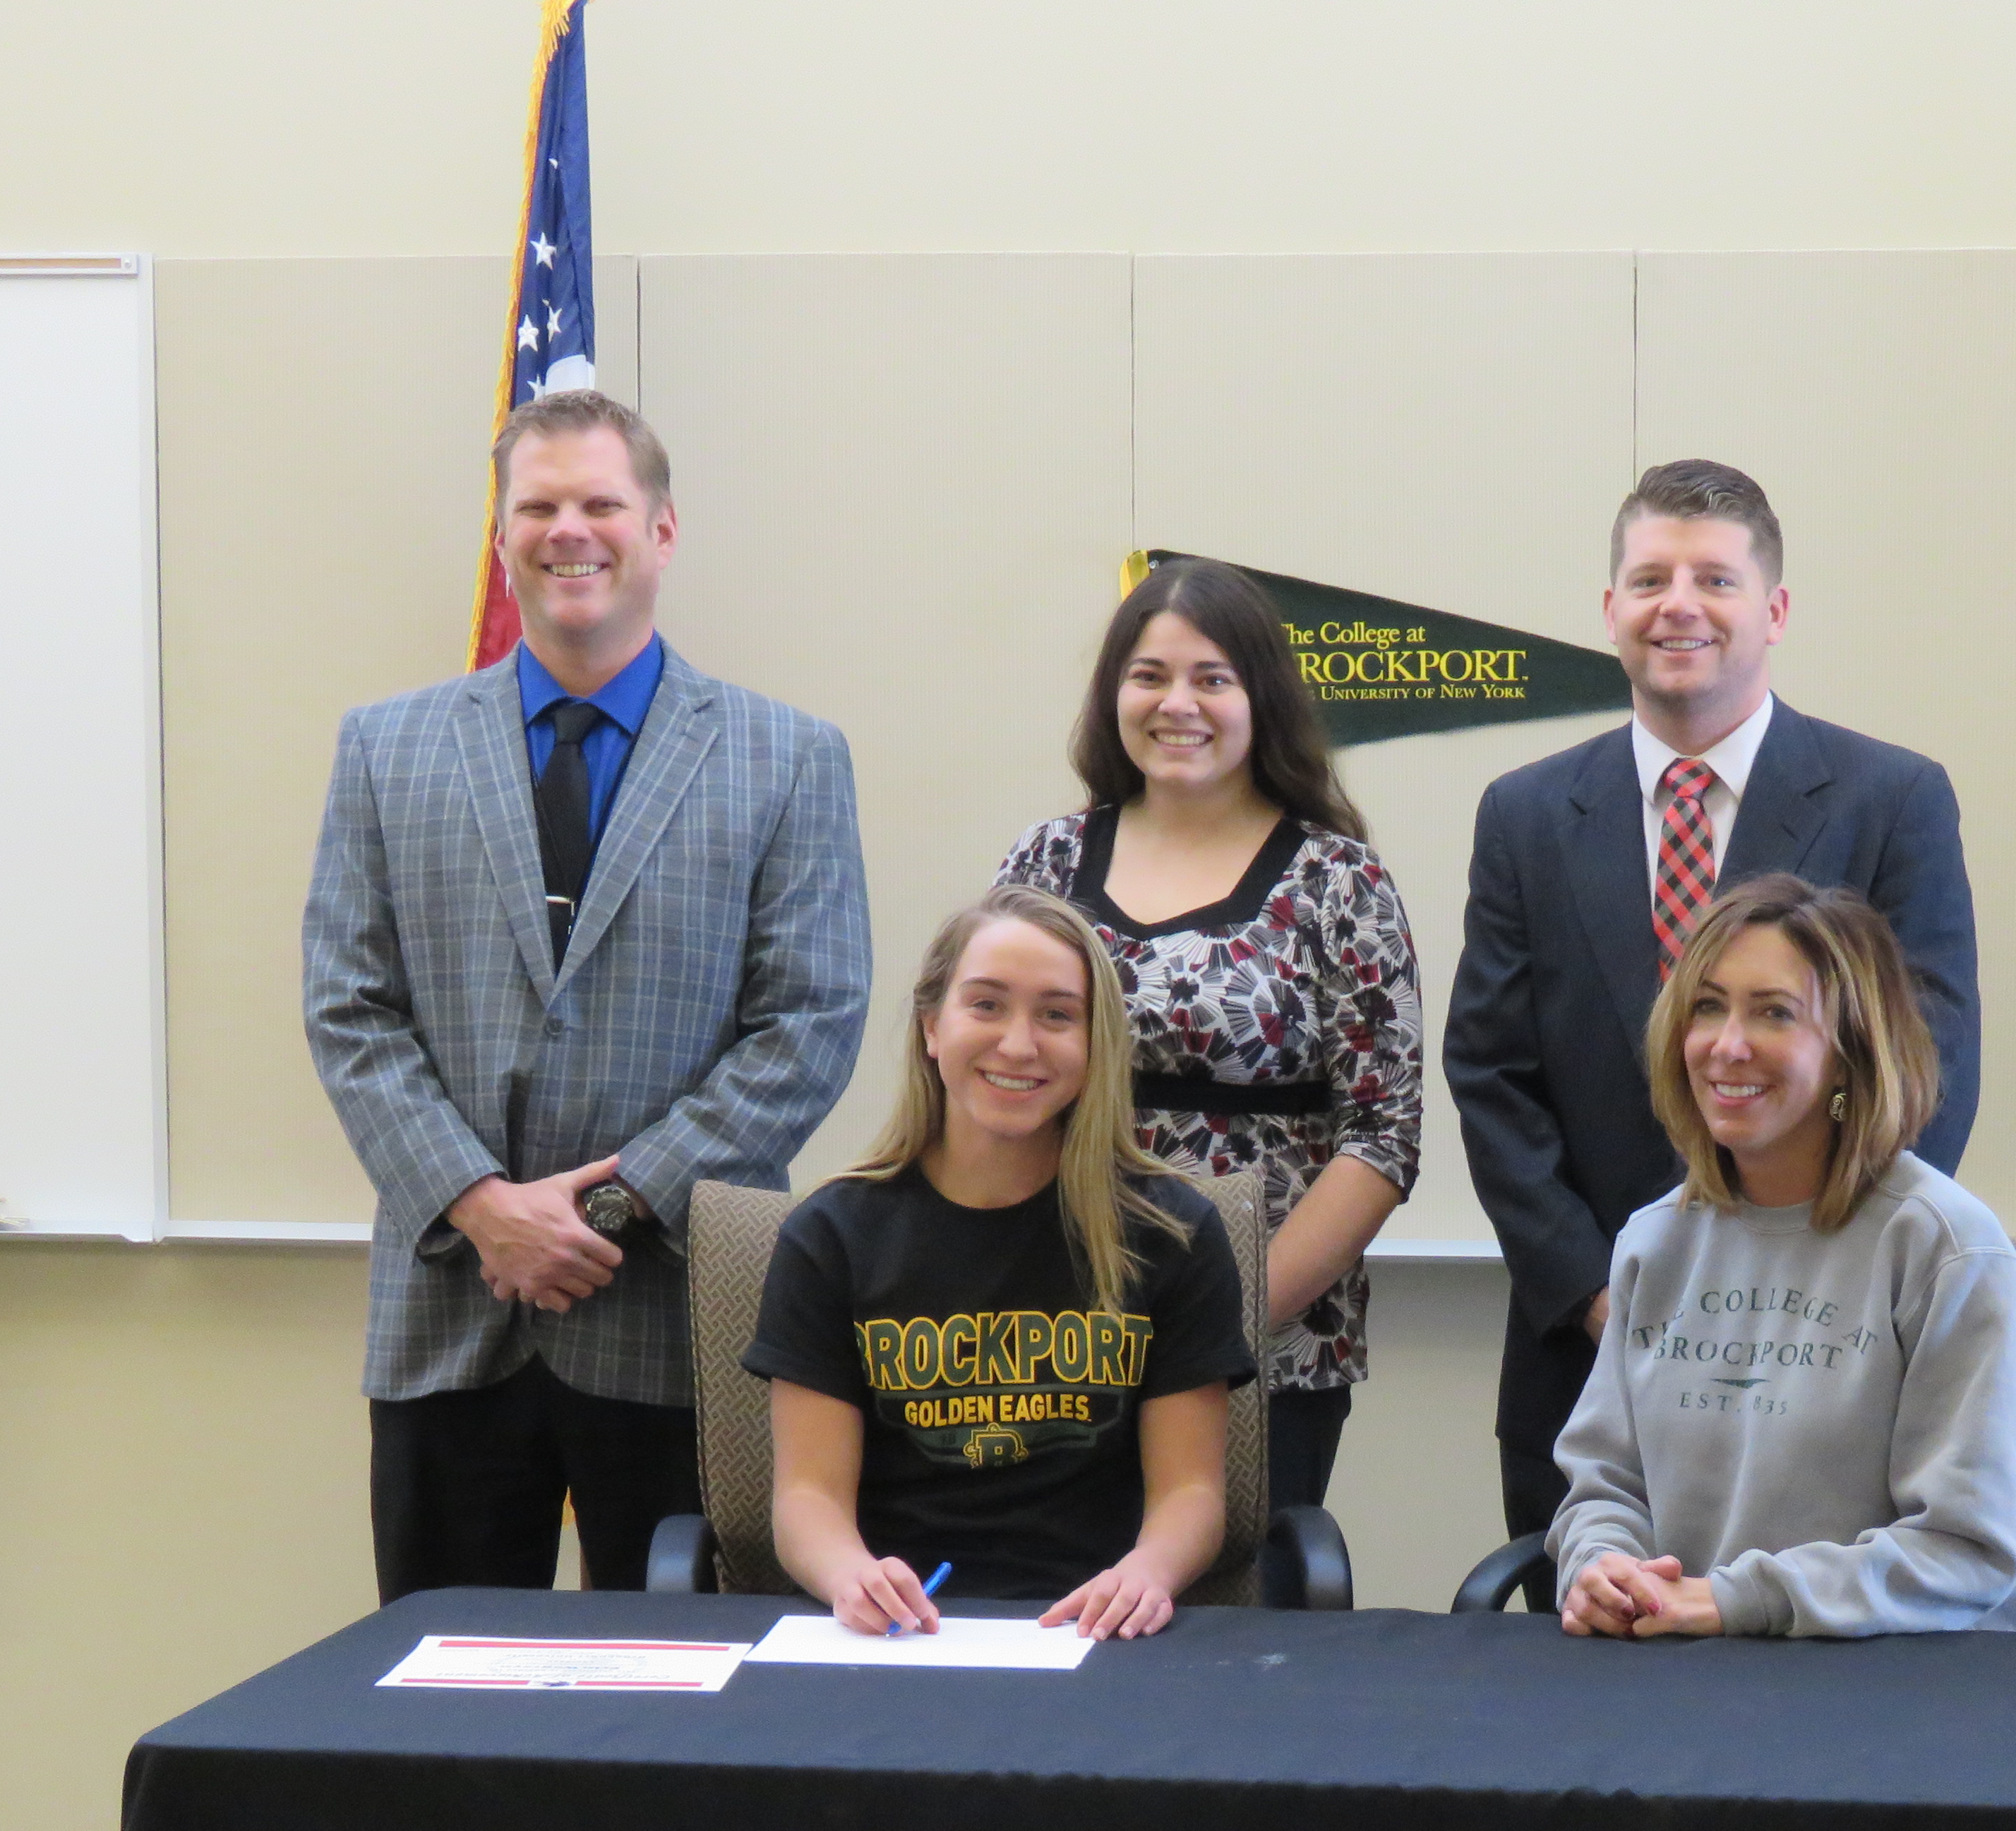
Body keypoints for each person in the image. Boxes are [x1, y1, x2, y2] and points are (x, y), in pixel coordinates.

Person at [304, 389, 871, 1601]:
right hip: (452, 1312)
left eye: (601, 504)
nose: (569, 531)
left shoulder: (788, 758)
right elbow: (349, 1009)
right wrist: (483, 1209)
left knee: (687, 1691)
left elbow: (809, 1023)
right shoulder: (385, 749)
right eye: (538, 507)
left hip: (675, 1314)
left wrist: (602, 1211)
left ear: (661, 530)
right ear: (502, 534)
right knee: (443, 1687)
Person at [1444, 460, 1983, 1539]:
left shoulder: (1891, 799)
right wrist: (1600, 1291)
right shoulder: (1526, 814)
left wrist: (1818, 1269)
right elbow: (1492, 1074)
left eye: (1715, 580)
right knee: (1589, 1632)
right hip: (1586, 1352)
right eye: (1650, 580)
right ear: (1611, 609)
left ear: (1773, 611)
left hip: (1829, 1342)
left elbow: (1928, 1059)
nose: (1678, 605)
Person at [1000, 558, 1421, 1513]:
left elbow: (1384, 1136)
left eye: (1212, 678)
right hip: (1054, 1330)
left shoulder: (1339, 881)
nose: (1177, 703)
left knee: (1241, 1598)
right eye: (1149, 676)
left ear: (1260, 697)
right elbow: (985, 1080)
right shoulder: (1045, 860)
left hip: (1263, 1343)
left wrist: (1220, 1319)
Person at [743, 888, 1255, 1640]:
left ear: (1096, 1043)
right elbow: (806, 1500)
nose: (1019, 1045)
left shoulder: (1172, 1233)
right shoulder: (829, 1237)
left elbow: (1192, 1495)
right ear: (931, 1026)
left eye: (1057, 1015)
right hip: (900, 1635)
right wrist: (849, 1573)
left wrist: (1147, 1572)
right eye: (986, 1005)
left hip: (1094, 1630)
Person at [1550, 875, 2016, 1640]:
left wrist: (1737, 1601)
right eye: (1708, 1007)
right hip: (1678, 1668)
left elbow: (1967, 1551)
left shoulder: (1947, 1251)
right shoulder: (1655, 1241)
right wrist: (1603, 1567)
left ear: (1849, 1052)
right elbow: (1605, 1486)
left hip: (1897, 1683)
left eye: (1774, 1012)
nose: (1727, 1045)